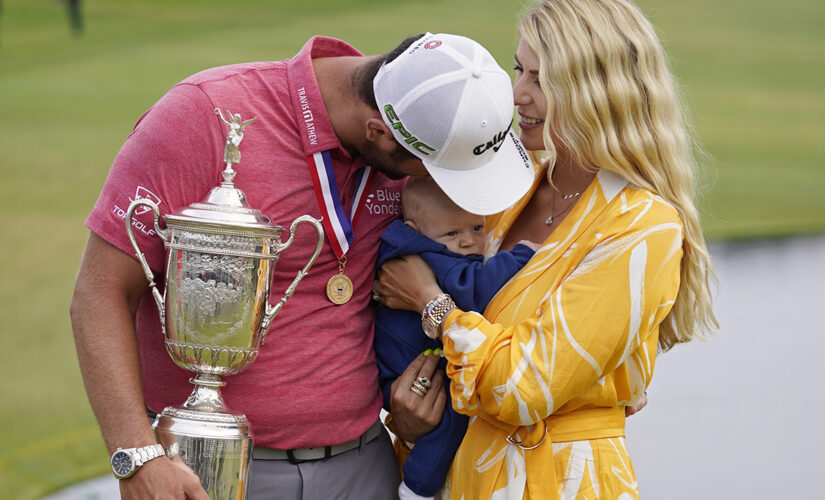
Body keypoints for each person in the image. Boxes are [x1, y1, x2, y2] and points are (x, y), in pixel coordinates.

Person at [69, 33, 534, 499]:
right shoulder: (204, 116)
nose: (442, 187)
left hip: (366, 461)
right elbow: (101, 292)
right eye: (435, 170)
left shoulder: (421, 120)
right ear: (378, 133)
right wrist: (137, 456)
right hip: (215, 468)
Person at [376, 1, 718, 498]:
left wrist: (433, 304)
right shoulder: (507, 193)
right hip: (463, 474)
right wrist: (410, 421)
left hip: (559, 481)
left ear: (598, 92)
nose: (517, 94)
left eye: (540, 79)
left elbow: (521, 386)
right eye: (519, 70)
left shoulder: (642, 226)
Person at [374, 177, 538, 499]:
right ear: (414, 227)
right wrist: (522, 256)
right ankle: (417, 488)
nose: (468, 242)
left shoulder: (412, 243)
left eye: (477, 228)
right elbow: (472, 290)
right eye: (452, 233)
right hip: (411, 364)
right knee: (455, 415)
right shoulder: (430, 254)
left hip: (398, 358)